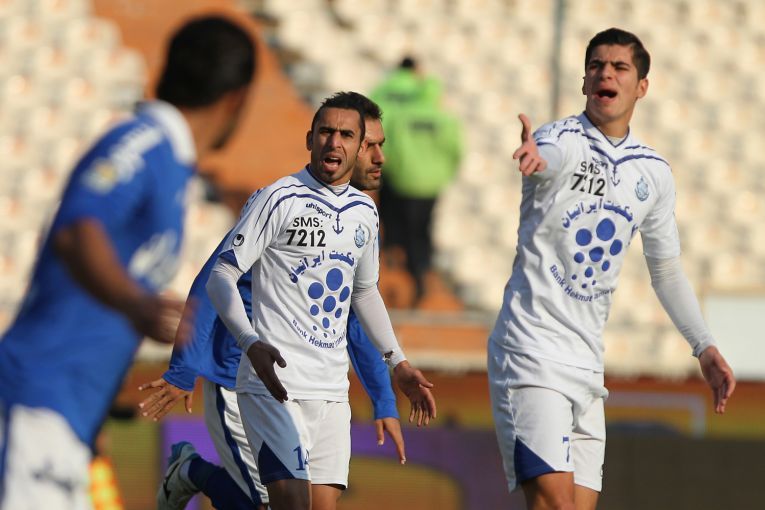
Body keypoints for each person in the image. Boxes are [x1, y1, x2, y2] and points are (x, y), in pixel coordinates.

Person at [0, 16, 257, 510]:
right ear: (236, 99)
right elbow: (78, 229)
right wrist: (135, 303)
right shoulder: (143, 143)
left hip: (69, 418)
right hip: (38, 399)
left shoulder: (173, 164)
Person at [488, 28, 736, 510]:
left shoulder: (653, 172)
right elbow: (550, 159)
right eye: (596, 66)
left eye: (620, 67)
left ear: (642, 86)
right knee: (557, 504)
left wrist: (704, 347)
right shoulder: (557, 139)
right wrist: (537, 160)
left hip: (587, 364)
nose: (606, 74)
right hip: (531, 352)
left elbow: (666, 271)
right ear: (584, 82)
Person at [139, 99, 406, 510]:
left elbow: (354, 315)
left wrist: (384, 397)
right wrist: (183, 367)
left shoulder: (358, 219)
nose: (379, 157)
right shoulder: (281, 203)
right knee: (272, 505)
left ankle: (194, 471)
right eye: (371, 145)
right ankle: (193, 472)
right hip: (242, 376)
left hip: (317, 388)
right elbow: (214, 277)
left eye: (375, 145)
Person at [205, 91, 437, 510]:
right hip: (275, 386)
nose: (334, 142)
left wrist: (398, 363)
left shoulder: (365, 212)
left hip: (331, 392)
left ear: (359, 146)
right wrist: (249, 342)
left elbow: (365, 292)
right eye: (326, 132)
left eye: (346, 135)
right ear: (310, 139)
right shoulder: (279, 198)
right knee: (292, 504)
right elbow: (221, 275)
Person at [371, 56, 463, 305]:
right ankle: (420, 272)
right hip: (430, 185)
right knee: (422, 229)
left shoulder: (389, 99)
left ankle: (392, 260)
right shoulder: (446, 119)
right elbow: (456, 152)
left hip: (400, 179)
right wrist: (440, 176)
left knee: (393, 223)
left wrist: (394, 172)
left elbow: (389, 146)